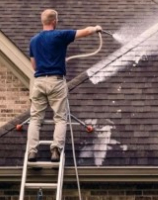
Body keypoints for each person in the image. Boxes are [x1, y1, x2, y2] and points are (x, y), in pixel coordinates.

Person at [27, 9, 102, 162]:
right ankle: (55, 151)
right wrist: (96, 28)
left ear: (43, 21)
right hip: (56, 81)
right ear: (54, 21)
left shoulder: (33, 40)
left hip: (39, 82)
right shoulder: (60, 35)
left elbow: (34, 66)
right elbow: (85, 32)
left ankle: (31, 152)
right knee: (60, 118)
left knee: (35, 119)